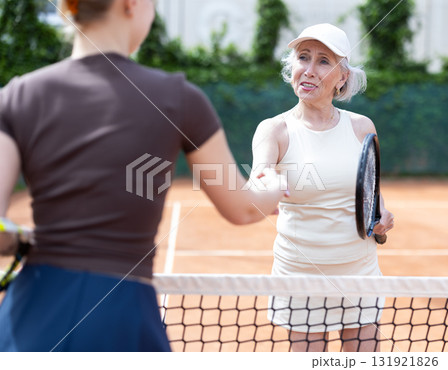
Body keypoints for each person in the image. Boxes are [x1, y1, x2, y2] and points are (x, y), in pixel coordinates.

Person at [0, 0, 286, 351]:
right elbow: (243, 208)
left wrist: (23, 239)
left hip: (31, 313)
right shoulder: (179, 98)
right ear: (131, 4)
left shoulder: (16, 96)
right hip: (121, 312)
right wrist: (274, 184)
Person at [250, 23, 395, 352]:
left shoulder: (362, 128)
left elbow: (371, 189)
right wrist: (265, 188)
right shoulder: (274, 130)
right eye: (303, 58)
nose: (309, 70)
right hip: (300, 277)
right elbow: (259, 175)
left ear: (342, 77)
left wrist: (382, 215)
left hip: (359, 272)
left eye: (324, 61)